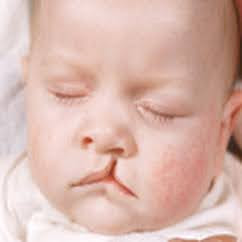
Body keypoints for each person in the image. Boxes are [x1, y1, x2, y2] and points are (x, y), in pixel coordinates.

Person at [0, 0, 242, 241]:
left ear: (222, 130)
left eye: (158, 110)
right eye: (67, 92)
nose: (106, 135)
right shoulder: (11, 199)